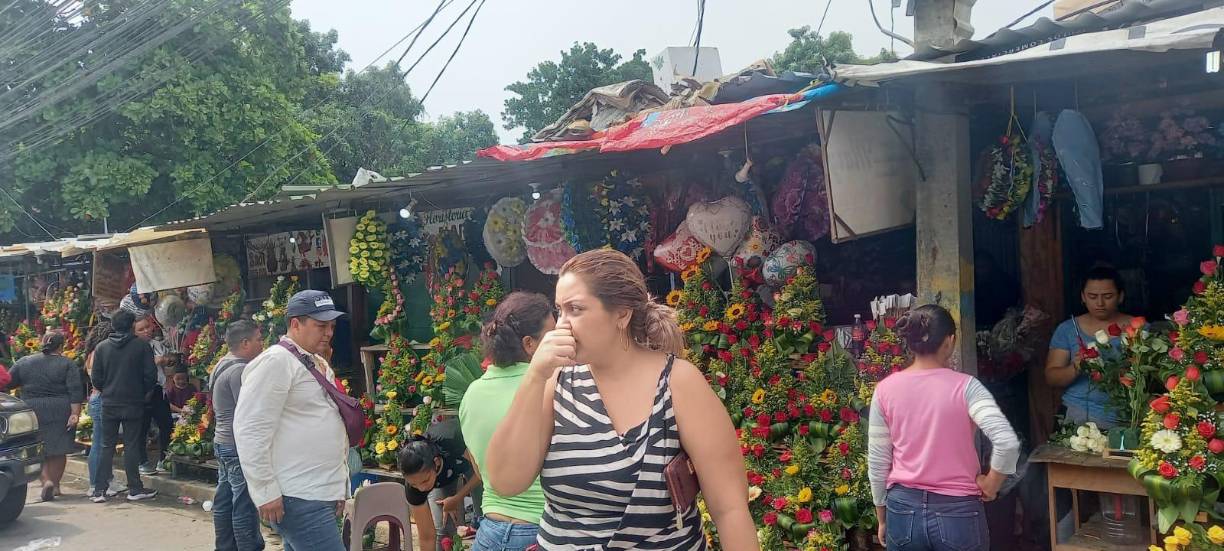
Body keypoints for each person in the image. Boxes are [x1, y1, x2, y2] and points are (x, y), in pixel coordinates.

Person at [487, 249, 757, 549]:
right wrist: (534, 377)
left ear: (622, 314)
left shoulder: (678, 382)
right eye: (559, 310)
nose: (562, 325)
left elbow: (730, 509)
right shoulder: (557, 381)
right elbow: (506, 481)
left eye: (576, 309)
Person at [868, 304, 1021, 551]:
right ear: (949, 342)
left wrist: (882, 517)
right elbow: (1007, 442)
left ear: (910, 342)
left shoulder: (885, 390)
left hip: (903, 510)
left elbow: (878, 462)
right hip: (958, 512)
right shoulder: (967, 387)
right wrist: (991, 484)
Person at [234, 290, 348, 551]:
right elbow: (250, 429)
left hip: (318, 491)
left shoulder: (313, 360)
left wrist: (338, 488)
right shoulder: (276, 361)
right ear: (295, 324)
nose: (328, 333)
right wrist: (265, 491)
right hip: (299, 494)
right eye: (321, 326)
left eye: (331, 326)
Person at [459, 292, 554, 551]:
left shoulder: (472, 393)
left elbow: (479, 466)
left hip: (489, 533)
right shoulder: (551, 385)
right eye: (553, 335)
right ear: (529, 344)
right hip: (540, 532)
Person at [1045, 265, 1134, 429]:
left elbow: (1150, 378)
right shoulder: (1068, 329)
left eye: (1108, 296)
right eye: (1092, 296)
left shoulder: (1137, 328)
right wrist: (1076, 367)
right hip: (1077, 413)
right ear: (1083, 297)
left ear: (1120, 296)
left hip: (1125, 417)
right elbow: (1052, 377)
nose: (1100, 303)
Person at [6, 330, 86, 501]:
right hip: (60, 409)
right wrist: (75, 413)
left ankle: (46, 481)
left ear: (42, 343)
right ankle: (55, 486)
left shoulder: (24, 362)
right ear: (61, 346)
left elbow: (7, 381)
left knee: (35, 449)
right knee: (59, 449)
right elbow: (75, 390)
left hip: (32, 410)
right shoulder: (67, 364)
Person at [91, 309, 159, 503]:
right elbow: (150, 376)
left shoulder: (102, 348)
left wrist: (107, 389)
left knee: (106, 446)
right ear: (132, 326)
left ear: (113, 325)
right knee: (131, 445)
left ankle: (99, 490)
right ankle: (135, 489)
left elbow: (96, 378)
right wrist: (142, 392)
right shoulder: (141, 346)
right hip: (133, 403)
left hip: (109, 402)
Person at [211, 320, 265, 551]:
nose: (262, 345)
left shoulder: (222, 363)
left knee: (224, 498)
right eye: (258, 340)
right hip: (236, 445)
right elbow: (249, 411)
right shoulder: (240, 371)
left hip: (222, 441)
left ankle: (225, 546)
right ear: (245, 343)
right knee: (245, 502)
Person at [398, 428, 481, 551]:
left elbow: (483, 471)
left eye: (425, 481)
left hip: (475, 462)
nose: (421, 488)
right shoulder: (414, 486)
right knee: (444, 528)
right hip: (446, 475)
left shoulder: (452, 441)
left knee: (483, 515)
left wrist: (457, 497)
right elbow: (426, 537)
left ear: (436, 462)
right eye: (414, 484)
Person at [83, 319, 125, 497]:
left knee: (104, 443)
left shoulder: (92, 353)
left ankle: (107, 479)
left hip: (97, 398)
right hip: (102, 398)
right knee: (100, 443)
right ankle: (95, 484)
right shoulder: (99, 354)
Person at [137, 317, 174, 475]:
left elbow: (167, 365)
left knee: (166, 424)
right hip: (141, 391)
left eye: (147, 327)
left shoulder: (157, 344)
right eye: (141, 329)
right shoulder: (133, 348)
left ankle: (164, 459)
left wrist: (167, 361)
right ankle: (142, 461)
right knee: (142, 427)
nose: (146, 331)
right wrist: (154, 362)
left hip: (159, 389)